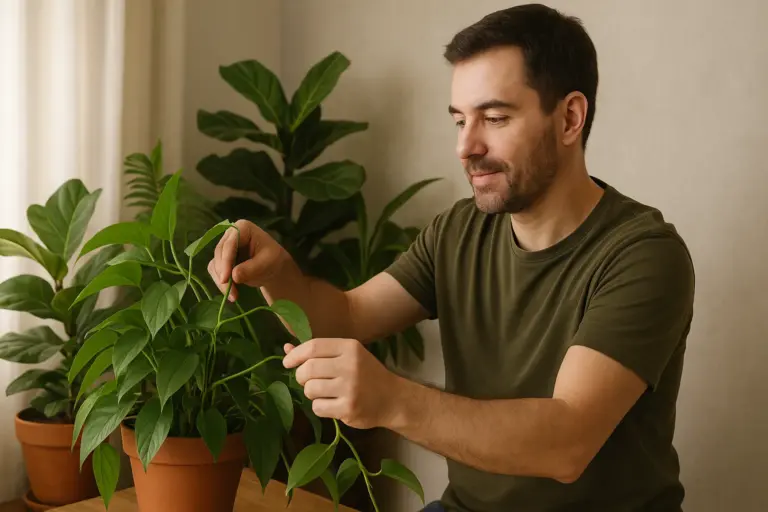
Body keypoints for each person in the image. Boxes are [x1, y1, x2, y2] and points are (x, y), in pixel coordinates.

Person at [208, 4, 695, 511]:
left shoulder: (642, 254)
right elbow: (347, 316)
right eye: (460, 120)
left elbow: (566, 442)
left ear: (570, 117)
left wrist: (392, 399)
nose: (466, 145)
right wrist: (279, 272)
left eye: (495, 118)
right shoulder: (460, 230)